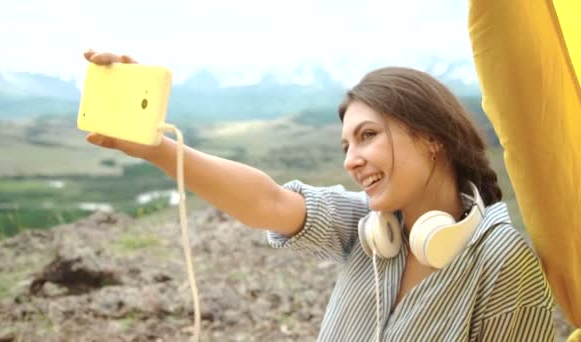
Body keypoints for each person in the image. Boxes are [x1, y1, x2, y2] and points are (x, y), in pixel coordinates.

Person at [83, 50, 555, 341]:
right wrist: (157, 147)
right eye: (346, 145)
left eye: (368, 135)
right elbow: (269, 202)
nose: (351, 159)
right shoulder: (371, 230)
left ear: (432, 137)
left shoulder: (500, 260)